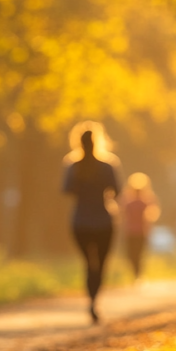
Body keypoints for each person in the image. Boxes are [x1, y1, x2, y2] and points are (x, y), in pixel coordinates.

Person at [63, 122, 120, 324]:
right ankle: (94, 301)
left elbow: (66, 190)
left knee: (89, 263)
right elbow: (117, 190)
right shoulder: (107, 166)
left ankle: (91, 299)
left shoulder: (73, 166)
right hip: (103, 221)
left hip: (80, 222)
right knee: (101, 264)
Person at [120, 172, 160, 281]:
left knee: (137, 254)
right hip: (132, 232)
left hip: (139, 232)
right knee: (133, 254)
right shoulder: (130, 202)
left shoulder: (143, 203)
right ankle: (136, 274)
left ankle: (137, 274)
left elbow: (150, 216)